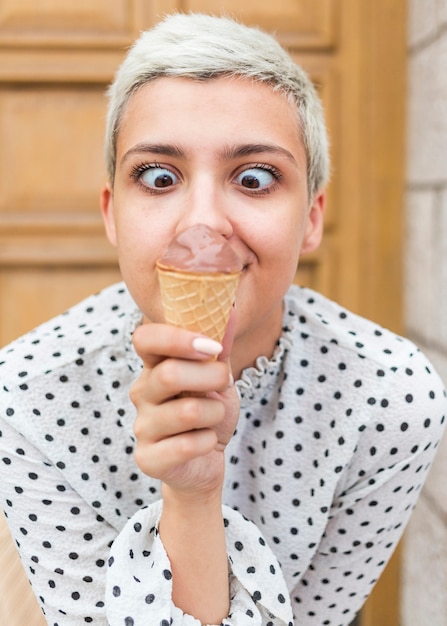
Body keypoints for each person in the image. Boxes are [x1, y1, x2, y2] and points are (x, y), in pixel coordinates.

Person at [0, 12, 446, 626]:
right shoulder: (26, 393)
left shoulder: (391, 398)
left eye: (255, 177)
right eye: (158, 177)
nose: (203, 223)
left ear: (311, 217)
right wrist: (188, 495)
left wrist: (199, 490)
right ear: (112, 214)